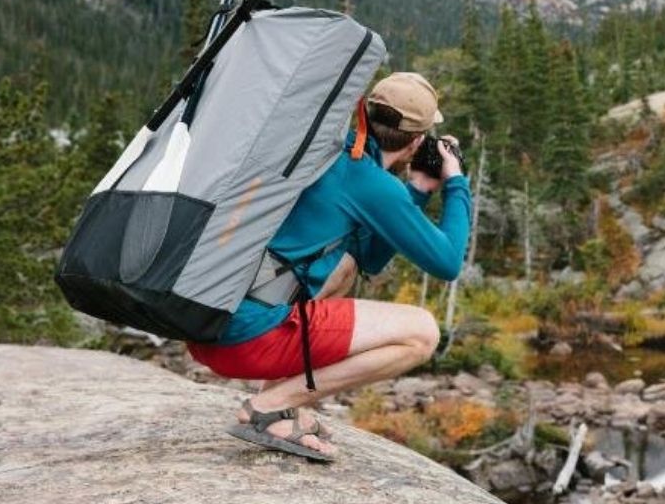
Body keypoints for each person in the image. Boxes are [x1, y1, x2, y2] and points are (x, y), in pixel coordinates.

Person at [187, 71, 472, 460]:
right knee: (422, 333)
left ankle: (278, 404)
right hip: (247, 340)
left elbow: (369, 257)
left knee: (347, 265)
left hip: (207, 324)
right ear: (417, 140)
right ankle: (269, 407)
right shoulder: (370, 182)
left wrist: (419, 190)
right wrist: (455, 180)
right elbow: (448, 262)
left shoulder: (330, 155)